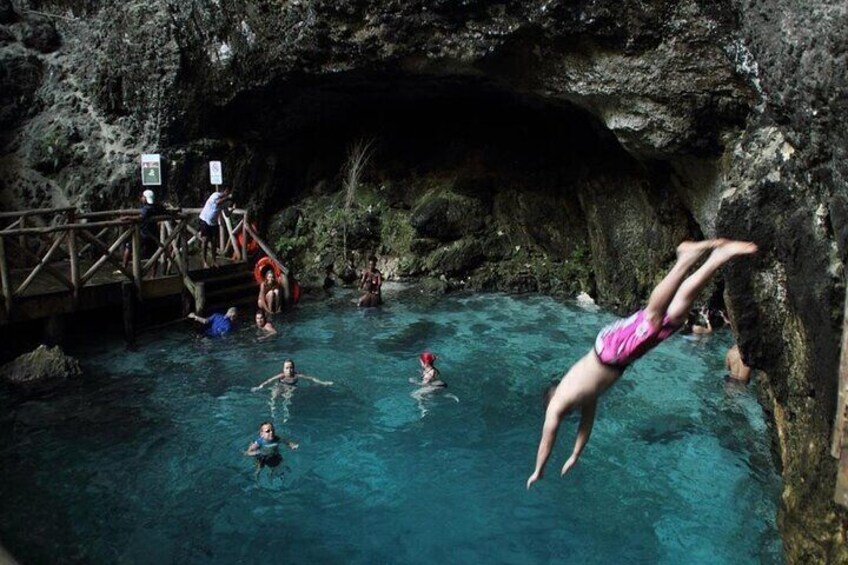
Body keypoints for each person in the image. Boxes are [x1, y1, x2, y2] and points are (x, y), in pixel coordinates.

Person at [526, 239, 758, 489]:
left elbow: (546, 439)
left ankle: (684, 259)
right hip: (620, 355)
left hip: (610, 351)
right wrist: (575, 455)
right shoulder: (585, 396)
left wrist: (538, 470)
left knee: (652, 316)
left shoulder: (558, 403)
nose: (563, 416)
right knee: (675, 317)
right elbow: (586, 426)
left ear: (553, 398)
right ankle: (716, 259)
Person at [121, 189, 166, 277]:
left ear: (146, 198)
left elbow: (141, 218)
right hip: (154, 234)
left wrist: (128, 217)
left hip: (144, 234)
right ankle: (153, 275)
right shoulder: (158, 206)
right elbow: (166, 211)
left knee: (129, 247)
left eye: (143, 197)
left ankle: (123, 268)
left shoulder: (147, 208)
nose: (141, 198)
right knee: (154, 255)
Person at [198, 187, 233, 268]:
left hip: (213, 223)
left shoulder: (225, 202)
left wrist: (232, 209)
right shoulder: (215, 195)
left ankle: (214, 261)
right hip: (205, 220)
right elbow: (217, 203)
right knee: (205, 240)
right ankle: (204, 261)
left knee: (214, 242)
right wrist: (227, 197)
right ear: (225, 191)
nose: (228, 194)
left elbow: (227, 214)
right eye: (227, 193)